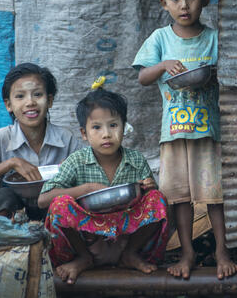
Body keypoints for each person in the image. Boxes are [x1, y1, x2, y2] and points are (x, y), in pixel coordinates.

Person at [132, 0, 237, 280]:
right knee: (180, 197)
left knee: (214, 196)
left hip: (208, 133)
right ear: (164, 3)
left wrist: (214, 74)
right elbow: (142, 78)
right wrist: (163, 65)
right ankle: (188, 252)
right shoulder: (160, 39)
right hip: (174, 135)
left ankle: (222, 250)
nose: (184, 5)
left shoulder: (213, 39)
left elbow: (233, 74)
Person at [38, 87, 169, 284]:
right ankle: (84, 258)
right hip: (87, 238)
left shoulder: (136, 159)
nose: (106, 134)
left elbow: (151, 201)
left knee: (158, 199)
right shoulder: (77, 161)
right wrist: (86, 189)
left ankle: (130, 255)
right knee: (59, 205)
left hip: (126, 237)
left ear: (124, 128)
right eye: (97, 127)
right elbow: (43, 199)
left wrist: (149, 188)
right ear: (84, 133)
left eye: (113, 125)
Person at [0, 63, 84, 220]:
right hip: (12, 220)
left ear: (50, 101)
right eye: (20, 96)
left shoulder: (66, 139)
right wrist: (10, 163)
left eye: (38, 94)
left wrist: (72, 169)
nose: (30, 102)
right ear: (8, 105)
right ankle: (6, 241)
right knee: (4, 195)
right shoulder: (1, 138)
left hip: (54, 215)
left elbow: (86, 174)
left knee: (65, 200)